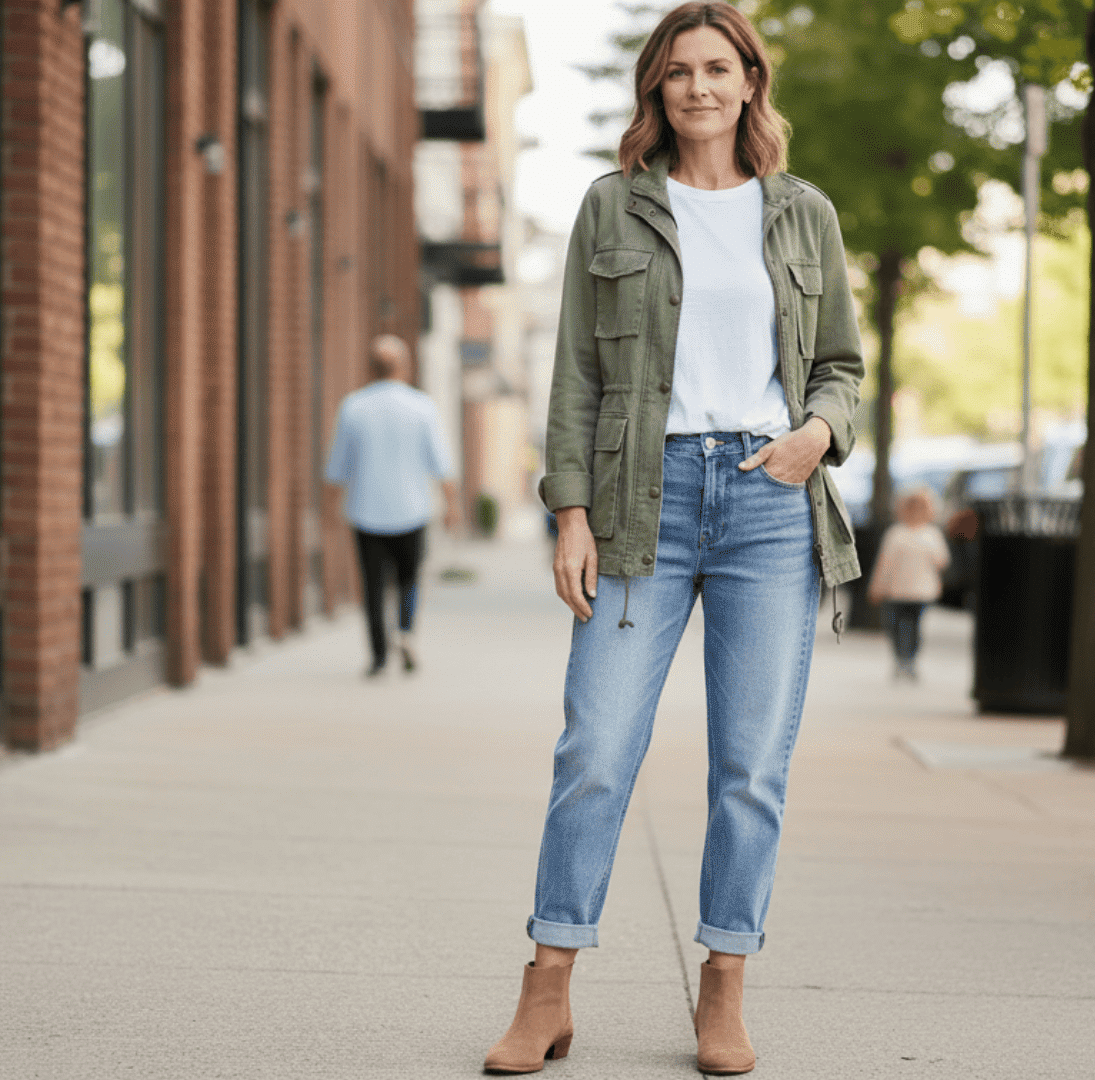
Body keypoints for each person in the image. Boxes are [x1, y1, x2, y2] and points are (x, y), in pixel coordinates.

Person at [483, 4, 863, 1074]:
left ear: (750, 82)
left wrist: (817, 436)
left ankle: (724, 982)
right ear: (656, 88)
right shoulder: (612, 210)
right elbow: (574, 377)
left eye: (718, 68)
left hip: (767, 505)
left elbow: (843, 364)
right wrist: (570, 511)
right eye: (678, 71)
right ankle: (548, 985)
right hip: (640, 506)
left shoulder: (801, 215)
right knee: (594, 750)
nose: (698, 87)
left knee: (750, 766)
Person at [323, 335, 459, 676]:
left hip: (365, 511)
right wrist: (451, 505)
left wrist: (329, 510)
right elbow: (441, 463)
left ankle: (379, 655)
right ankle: (406, 632)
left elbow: (337, 468)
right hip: (412, 510)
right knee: (409, 578)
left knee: (371, 586)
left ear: (370, 367)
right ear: (404, 366)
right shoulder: (422, 406)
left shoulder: (353, 406)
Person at [866, 486, 950, 681]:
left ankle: (910, 661)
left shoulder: (932, 534)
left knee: (914, 628)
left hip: (921, 592)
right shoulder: (895, 533)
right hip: (896, 591)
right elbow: (884, 564)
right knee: (895, 627)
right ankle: (900, 659)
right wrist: (877, 587)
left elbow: (942, 561)